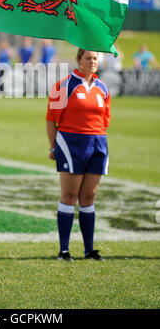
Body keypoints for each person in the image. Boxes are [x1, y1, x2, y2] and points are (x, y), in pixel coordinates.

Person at [46, 49, 111, 262]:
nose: (92, 61)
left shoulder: (103, 88)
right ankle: (64, 251)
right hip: (71, 143)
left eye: (95, 58)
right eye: (88, 58)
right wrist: (53, 147)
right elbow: (50, 119)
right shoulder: (64, 85)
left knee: (88, 196)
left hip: (98, 144)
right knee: (69, 196)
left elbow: (106, 119)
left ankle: (89, 250)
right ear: (78, 61)